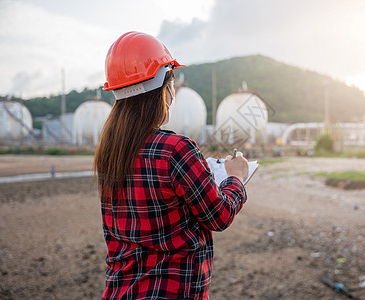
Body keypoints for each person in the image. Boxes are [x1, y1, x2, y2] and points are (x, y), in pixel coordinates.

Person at [94, 31, 249, 300]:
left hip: (121, 291)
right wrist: (235, 178)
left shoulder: (110, 152)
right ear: (163, 89)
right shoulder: (175, 150)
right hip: (172, 292)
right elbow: (218, 216)